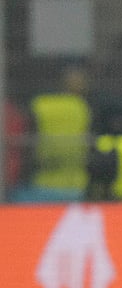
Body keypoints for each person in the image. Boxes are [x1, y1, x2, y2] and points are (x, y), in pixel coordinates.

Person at [25, 64, 92, 202]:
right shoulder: (83, 108)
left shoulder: (40, 105)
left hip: (43, 180)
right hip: (74, 182)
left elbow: (28, 140)